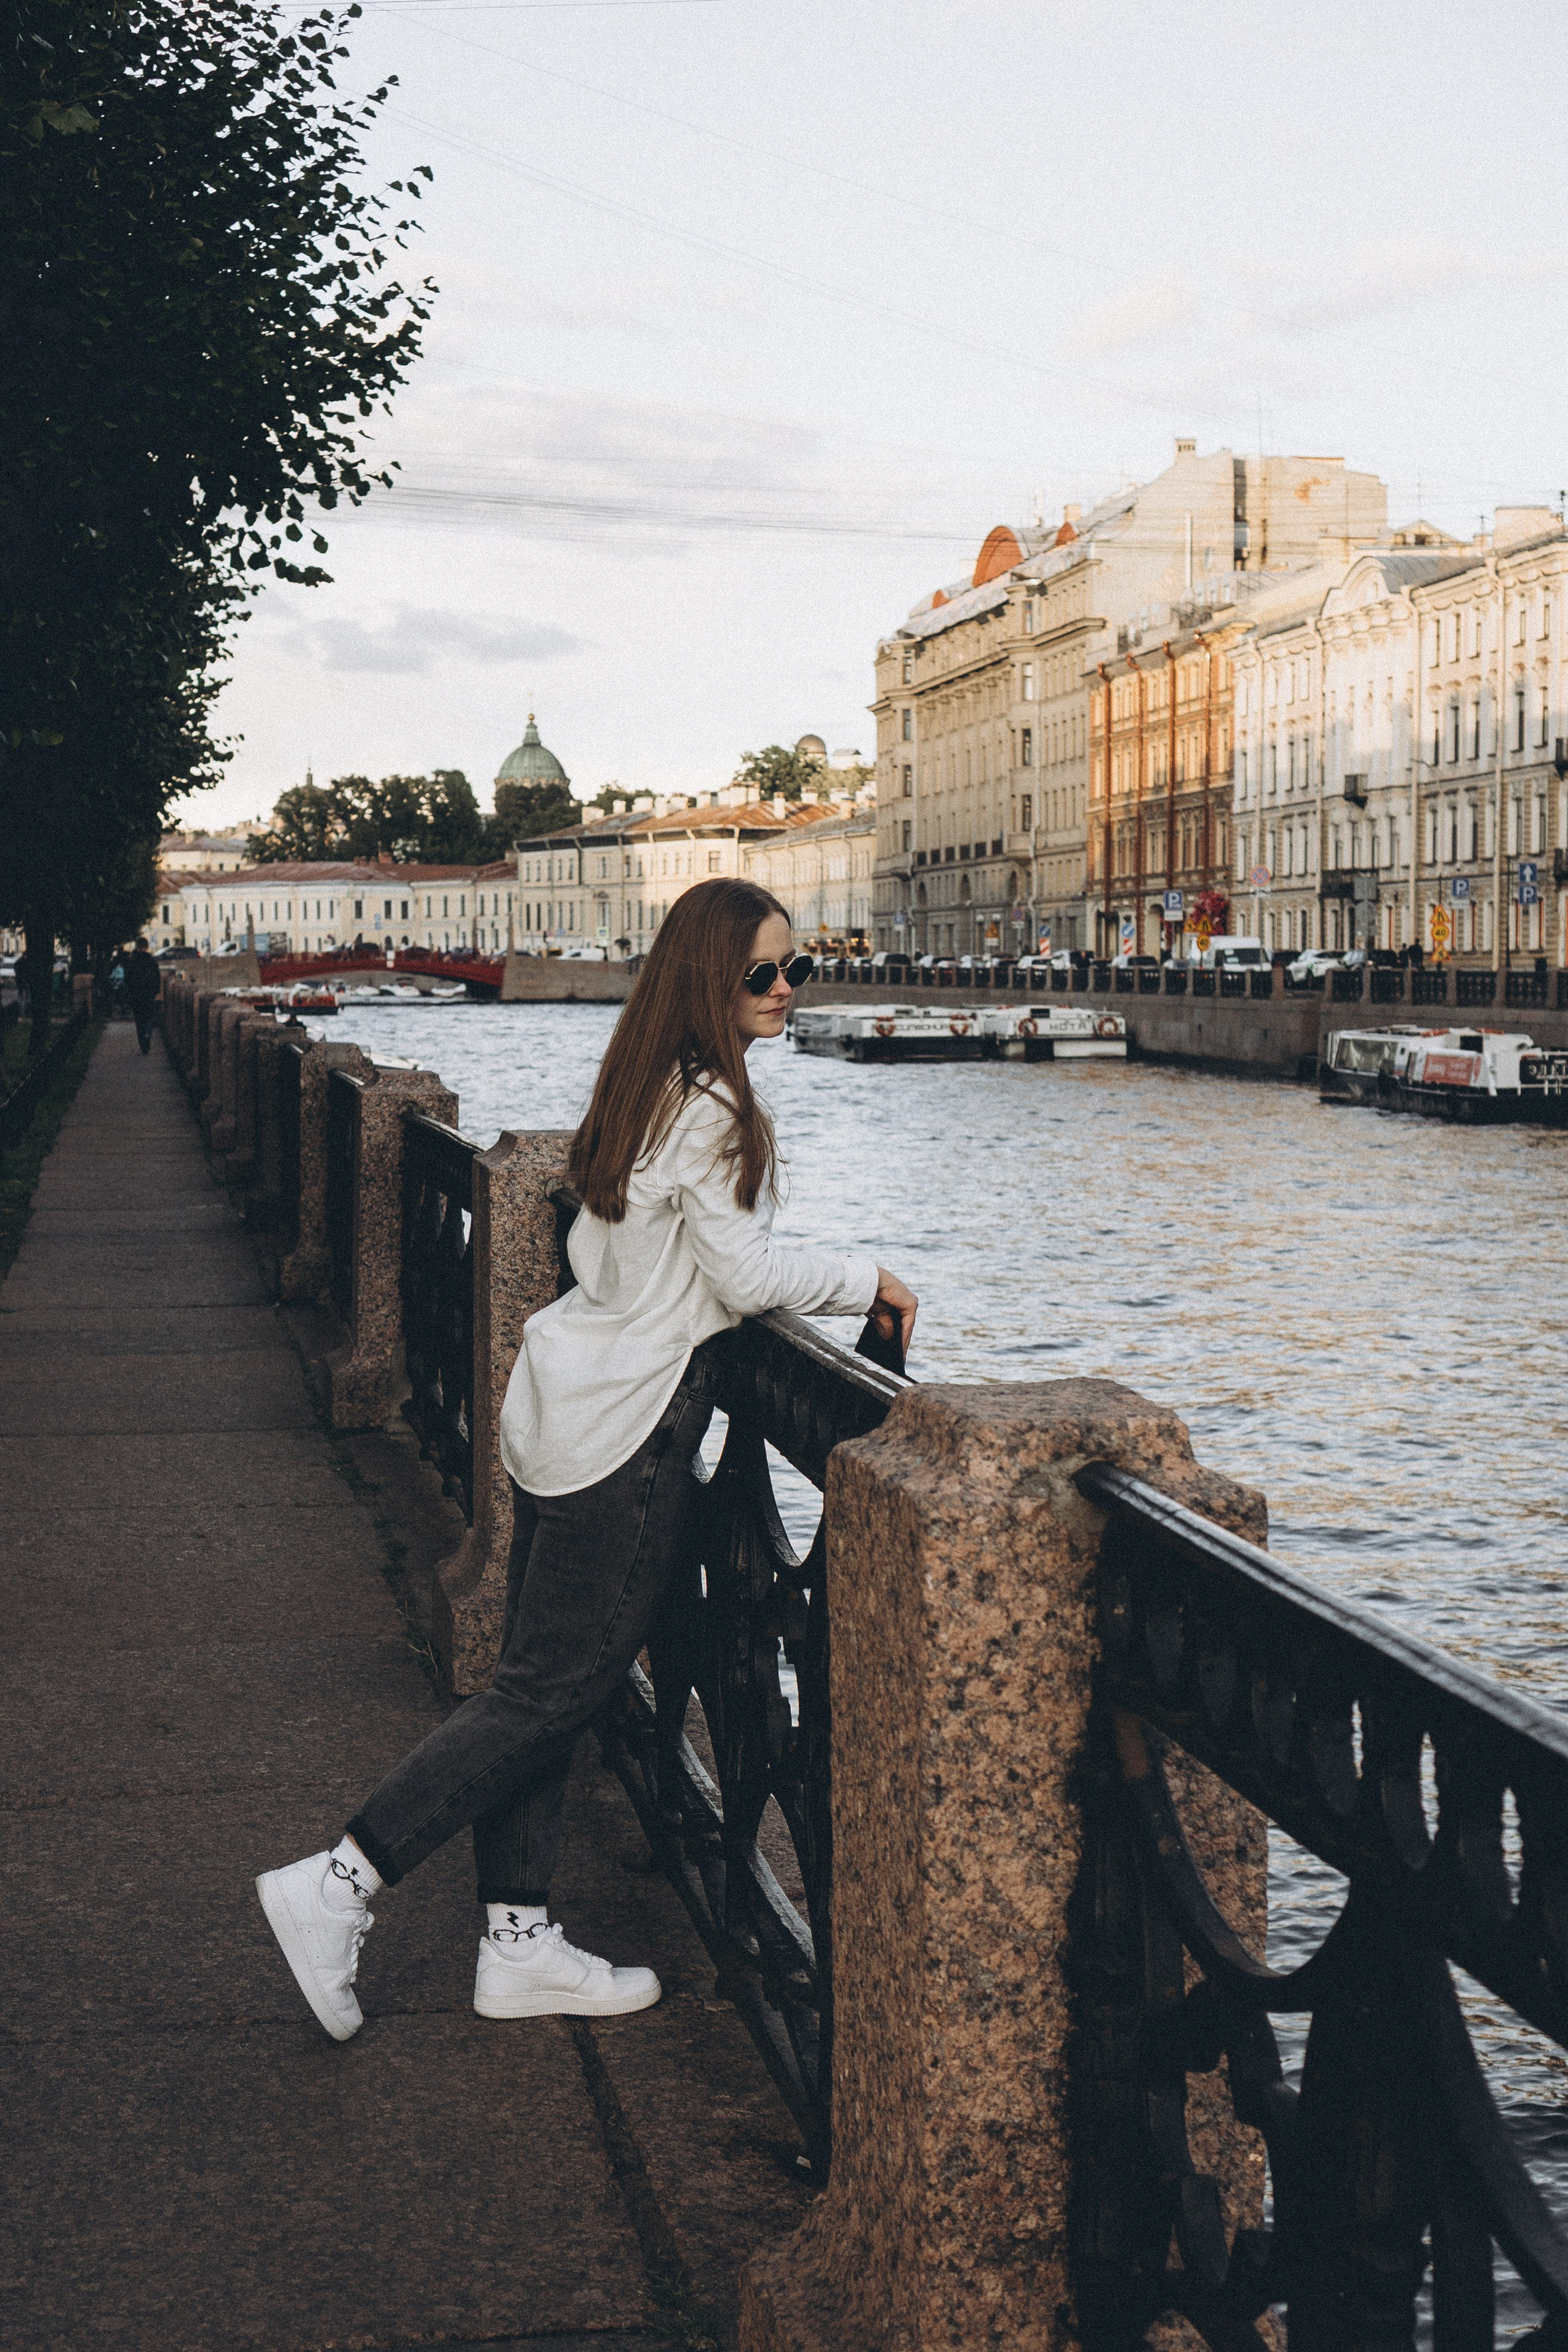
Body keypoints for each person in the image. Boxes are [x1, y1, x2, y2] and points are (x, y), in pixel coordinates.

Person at [257, 880, 918, 2041]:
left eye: (793, 970)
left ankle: (517, 1942)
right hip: (627, 1430)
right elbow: (749, 1280)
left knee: (544, 1686)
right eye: (763, 973)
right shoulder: (711, 1105)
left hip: (560, 1406)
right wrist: (873, 1281)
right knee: (548, 1691)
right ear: (709, 981)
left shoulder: (642, 1086)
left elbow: (611, 1248)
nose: (786, 990)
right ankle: (340, 1882)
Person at [123, 938, 160, 1054]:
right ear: (147, 946)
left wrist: (129, 993)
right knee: (150, 1017)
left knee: (139, 1021)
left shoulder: (132, 961)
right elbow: (157, 977)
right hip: (149, 994)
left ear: (137, 946)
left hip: (136, 996)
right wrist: (157, 991)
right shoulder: (151, 960)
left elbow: (127, 979)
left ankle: (143, 1046)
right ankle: (148, 1034)